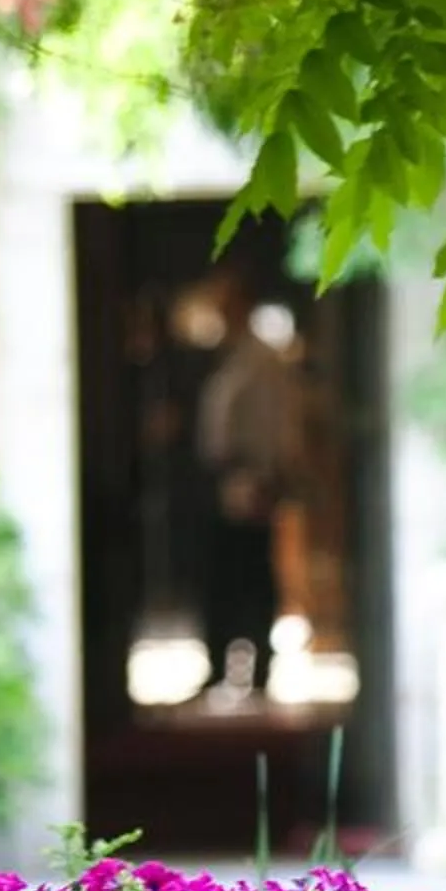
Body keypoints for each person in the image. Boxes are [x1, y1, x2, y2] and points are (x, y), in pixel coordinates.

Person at [194, 278, 300, 695]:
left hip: (252, 478)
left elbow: (276, 424)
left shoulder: (261, 361)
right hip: (226, 478)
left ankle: (257, 667)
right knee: (223, 576)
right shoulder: (230, 357)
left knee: (253, 576)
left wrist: (270, 474)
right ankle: (222, 664)